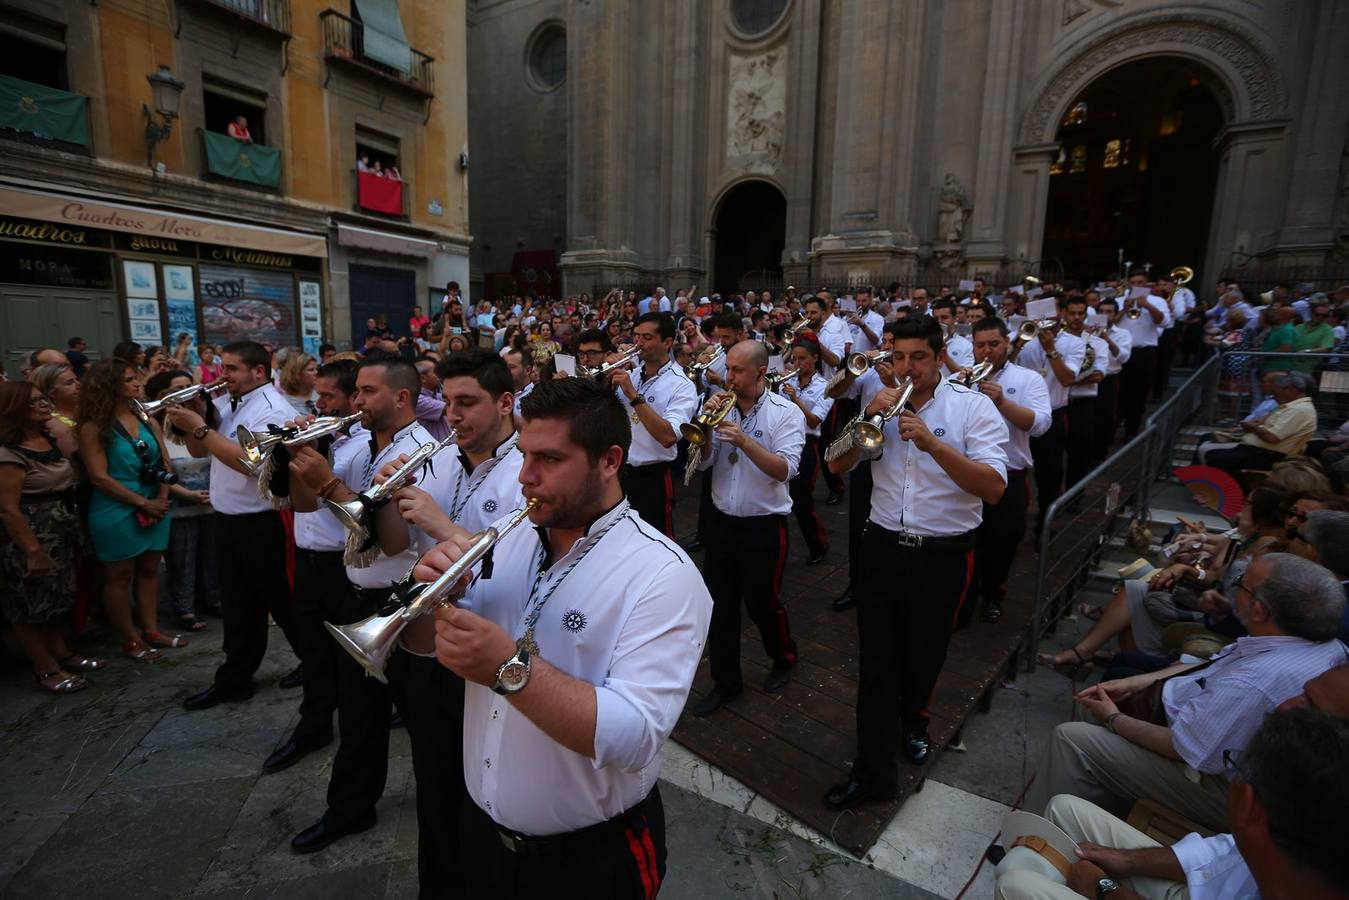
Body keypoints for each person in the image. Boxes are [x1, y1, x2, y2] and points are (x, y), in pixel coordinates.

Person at [412, 376, 712, 897]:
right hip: (482, 833)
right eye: (524, 454)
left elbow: (637, 737)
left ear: (610, 461)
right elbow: (423, 647)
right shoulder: (504, 538)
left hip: (589, 860)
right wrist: (429, 598)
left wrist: (509, 668)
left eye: (549, 460)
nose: (524, 476)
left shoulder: (663, 574)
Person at [823, 316, 1008, 808]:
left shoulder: (972, 408)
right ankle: (873, 771)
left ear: (939, 355)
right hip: (882, 548)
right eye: (898, 357)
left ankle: (917, 720)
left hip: (943, 555)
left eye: (918, 358)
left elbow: (992, 488)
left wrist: (932, 443)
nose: (907, 368)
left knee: (925, 656)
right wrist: (869, 419)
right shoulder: (876, 403)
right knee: (877, 663)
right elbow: (835, 463)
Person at [1025, 553, 1347, 831]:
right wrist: (1142, 683)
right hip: (1199, 736)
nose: (1233, 587)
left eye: (1241, 582)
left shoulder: (1255, 680)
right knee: (1111, 687)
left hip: (1220, 784)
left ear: (1261, 610)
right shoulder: (1317, 644)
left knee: (1072, 738)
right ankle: (1093, 816)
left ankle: (1036, 840)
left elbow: (1184, 748)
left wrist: (1114, 719)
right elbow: (1213, 665)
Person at [285, 355, 439, 855]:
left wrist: (330, 482)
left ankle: (449, 808)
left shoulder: (424, 453)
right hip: (355, 596)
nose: (356, 402)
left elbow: (394, 542)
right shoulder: (355, 446)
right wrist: (296, 455)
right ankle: (350, 808)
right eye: (355, 393)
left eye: (367, 392)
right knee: (357, 715)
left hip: (404, 602)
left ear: (400, 398)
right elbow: (306, 506)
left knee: (423, 718)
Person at [997, 698, 1349, 900]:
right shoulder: (1293, 844)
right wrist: (1127, 861)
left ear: (1250, 804)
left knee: (1016, 884)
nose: (1293, 699)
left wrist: (1107, 889)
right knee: (1064, 809)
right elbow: (1221, 851)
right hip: (1197, 891)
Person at [165, 341, 302, 709]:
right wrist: (197, 419)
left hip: (262, 522)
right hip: (227, 520)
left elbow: (249, 463)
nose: (223, 375)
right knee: (239, 605)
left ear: (259, 371)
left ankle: (314, 661)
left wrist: (200, 428)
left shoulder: (275, 409)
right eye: (222, 367)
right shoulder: (226, 403)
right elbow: (199, 450)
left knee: (283, 601)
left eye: (232, 369)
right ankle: (236, 677)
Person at [692, 340, 805, 716]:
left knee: (762, 604)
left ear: (760, 372)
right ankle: (726, 684)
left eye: (737, 371)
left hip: (764, 526)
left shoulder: (786, 414)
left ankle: (784, 656)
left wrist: (744, 441)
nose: (729, 378)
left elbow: (786, 470)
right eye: (728, 369)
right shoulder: (718, 405)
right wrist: (705, 433)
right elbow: (705, 465)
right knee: (720, 608)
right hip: (722, 523)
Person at [259, 359, 359, 781]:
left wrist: (315, 453)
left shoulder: (360, 445)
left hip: (346, 564)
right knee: (314, 653)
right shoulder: (316, 433)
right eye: (317, 398)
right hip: (308, 557)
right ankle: (313, 725)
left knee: (352, 668)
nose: (319, 406)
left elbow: (340, 506)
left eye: (329, 398)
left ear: (354, 399)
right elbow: (293, 501)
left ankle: (357, 740)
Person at [77, 359, 182, 661]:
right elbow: (99, 477)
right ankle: (130, 638)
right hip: (117, 504)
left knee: (149, 570)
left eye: (136, 378)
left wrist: (161, 498)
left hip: (155, 499)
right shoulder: (93, 426)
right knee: (119, 575)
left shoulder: (145, 415)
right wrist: (143, 503)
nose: (137, 384)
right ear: (108, 386)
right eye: (128, 380)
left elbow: (165, 460)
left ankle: (151, 630)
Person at [0, 382, 101, 693]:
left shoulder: (47, 438)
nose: (44, 405)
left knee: (56, 598)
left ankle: (61, 651)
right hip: (32, 533)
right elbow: (7, 510)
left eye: (43, 399)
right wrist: (32, 550)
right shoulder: (8, 453)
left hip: (62, 529)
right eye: (34, 403)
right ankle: (44, 667)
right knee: (30, 604)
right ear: (15, 409)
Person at [962, 317, 1051, 625]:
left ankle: (993, 594)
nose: (987, 351)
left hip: (1009, 474)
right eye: (980, 345)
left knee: (1003, 541)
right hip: (967, 474)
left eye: (994, 344)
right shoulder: (962, 377)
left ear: (1007, 343)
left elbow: (1039, 425)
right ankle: (965, 599)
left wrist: (1002, 401)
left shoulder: (1028, 379)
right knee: (967, 541)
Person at [605, 313, 698, 537]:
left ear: (667, 342)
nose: (638, 343)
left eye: (646, 337)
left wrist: (633, 395)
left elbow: (668, 438)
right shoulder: (632, 374)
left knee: (654, 538)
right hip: (619, 472)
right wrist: (605, 380)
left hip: (652, 479)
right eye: (636, 336)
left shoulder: (682, 385)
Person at [144, 370, 217, 633]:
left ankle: (213, 599)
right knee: (182, 560)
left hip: (210, 503)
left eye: (190, 386)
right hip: (179, 506)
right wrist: (186, 494)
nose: (187, 393)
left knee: (211, 557)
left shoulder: (204, 420)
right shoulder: (154, 427)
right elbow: (158, 468)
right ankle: (184, 607)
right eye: (179, 388)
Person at [1015, 301, 1087, 537]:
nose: (1045, 317)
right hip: (1021, 415)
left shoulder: (1074, 343)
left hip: (1053, 414)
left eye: (1051, 312)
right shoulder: (1024, 339)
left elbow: (1067, 379)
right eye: (1039, 313)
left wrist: (1050, 350)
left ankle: (1044, 526)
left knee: (1050, 475)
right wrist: (1016, 345)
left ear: (1062, 314)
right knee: (1014, 470)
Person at [1197, 372, 1318, 479]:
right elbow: (1264, 424)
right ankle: (1206, 485)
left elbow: (1272, 437)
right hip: (1256, 448)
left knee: (1214, 457)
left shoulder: (1299, 410)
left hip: (1266, 454)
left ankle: (1220, 489)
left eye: (1277, 392)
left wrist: (1253, 428)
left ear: (1292, 390)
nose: (1275, 397)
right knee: (1210, 450)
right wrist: (1253, 426)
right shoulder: (1291, 406)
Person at [779, 337, 833, 565]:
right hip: (782, 441)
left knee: (801, 499)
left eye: (803, 358)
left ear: (815, 358)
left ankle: (817, 545)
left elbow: (813, 421)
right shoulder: (786, 381)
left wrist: (795, 398)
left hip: (806, 445)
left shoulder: (825, 387)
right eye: (795, 359)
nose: (798, 363)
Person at [1115, 271, 1172, 439]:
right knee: (1119, 393)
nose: (1137, 285)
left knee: (1138, 394)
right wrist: (1124, 308)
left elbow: (1164, 322)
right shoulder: (1119, 301)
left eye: (1140, 282)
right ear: (1128, 284)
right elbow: (1108, 324)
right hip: (1119, 352)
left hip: (1144, 353)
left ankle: (1131, 432)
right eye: (1133, 282)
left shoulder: (1157, 301)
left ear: (1147, 284)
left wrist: (1148, 306)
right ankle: (1113, 428)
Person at [1062, 296, 1109, 488]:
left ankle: (1075, 496)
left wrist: (1064, 380)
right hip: (1057, 403)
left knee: (1080, 453)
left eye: (1080, 313)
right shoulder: (1055, 340)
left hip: (1082, 403)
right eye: (1072, 313)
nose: (1076, 317)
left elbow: (1098, 375)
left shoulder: (1097, 343)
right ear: (1064, 313)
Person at [28, 363, 79, 456]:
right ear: (52, 392)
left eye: (77, 380)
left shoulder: (82, 410)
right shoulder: (54, 423)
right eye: (69, 383)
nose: (79, 385)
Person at [278, 351, 319, 416]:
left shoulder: (322, 395)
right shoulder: (283, 403)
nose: (316, 372)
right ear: (297, 374)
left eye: (317, 369)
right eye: (311, 370)